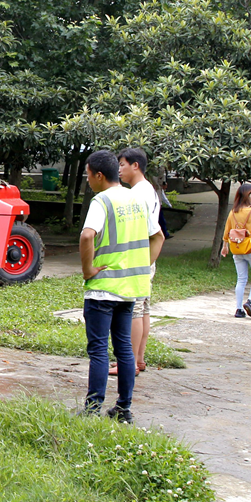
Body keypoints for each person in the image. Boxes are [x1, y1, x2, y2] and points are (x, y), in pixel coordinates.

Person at [78, 149, 165, 423]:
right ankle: (124, 409)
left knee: (99, 350)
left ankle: (92, 409)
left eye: (88, 175)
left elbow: (87, 235)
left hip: (103, 289)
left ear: (99, 175)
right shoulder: (137, 198)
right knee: (125, 349)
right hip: (130, 289)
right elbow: (158, 236)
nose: (88, 180)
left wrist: (88, 269)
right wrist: (142, 265)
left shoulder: (101, 200)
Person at [110, 147, 164, 377]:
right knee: (142, 309)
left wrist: (143, 263)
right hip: (144, 259)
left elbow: (151, 231)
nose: (119, 169)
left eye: (122, 164)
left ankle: (129, 362)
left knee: (133, 311)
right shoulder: (146, 190)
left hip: (138, 259)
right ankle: (138, 359)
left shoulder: (138, 194)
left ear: (135, 166)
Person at [219, 182, 251, 318]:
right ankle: (250, 302)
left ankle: (239, 309)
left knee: (241, 279)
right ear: (248, 194)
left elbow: (227, 230)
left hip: (237, 248)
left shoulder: (234, 211)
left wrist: (225, 247)